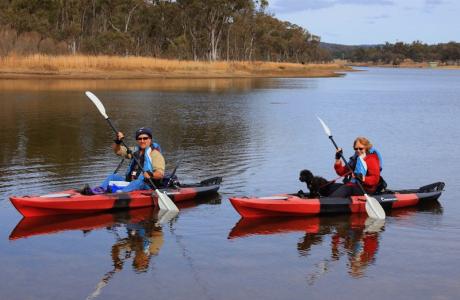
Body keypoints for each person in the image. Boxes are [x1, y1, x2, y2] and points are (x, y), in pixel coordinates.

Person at [100, 127, 165, 193]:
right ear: (137, 140)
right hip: (130, 183)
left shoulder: (155, 154)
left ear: (150, 139)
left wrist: (151, 174)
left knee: (138, 182)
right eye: (139, 139)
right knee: (113, 177)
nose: (142, 141)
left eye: (145, 138)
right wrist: (118, 141)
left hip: (146, 185)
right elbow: (118, 151)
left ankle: (119, 194)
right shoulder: (134, 151)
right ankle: (100, 191)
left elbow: (160, 174)